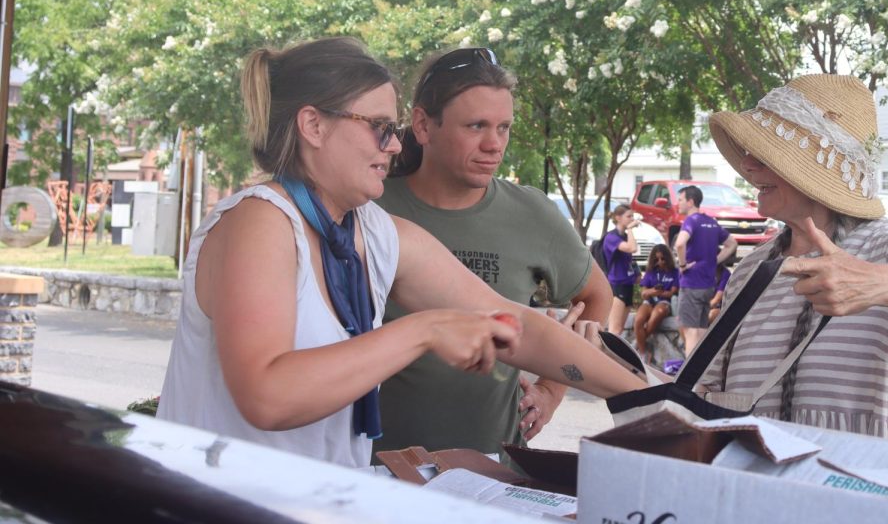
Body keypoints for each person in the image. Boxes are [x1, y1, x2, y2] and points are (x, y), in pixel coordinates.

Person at [156, 37, 642, 468]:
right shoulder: (259, 222)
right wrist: (424, 330)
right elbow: (266, 396)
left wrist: (652, 397)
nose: (394, 146)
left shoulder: (375, 232)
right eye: (380, 127)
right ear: (313, 125)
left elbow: (516, 323)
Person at [696, 74, 888, 443]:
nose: (747, 165)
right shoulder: (750, 270)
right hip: (761, 490)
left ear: (816, 168)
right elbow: (706, 390)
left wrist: (873, 283)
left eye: (763, 153)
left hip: (865, 488)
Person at [374, 47, 613, 456]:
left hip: (495, 473)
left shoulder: (531, 212)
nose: (493, 144)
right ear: (423, 125)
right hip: (377, 470)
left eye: (503, 127)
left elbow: (595, 295)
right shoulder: (371, 208)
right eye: (476, 125)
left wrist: (552, 392)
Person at [674, 185, 738, 355]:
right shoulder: (711, 222)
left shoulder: (691, 221)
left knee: (690, 331)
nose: (677, 203)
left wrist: (682, 265)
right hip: (708, 285)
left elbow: (680, 243)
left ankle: (688, 378)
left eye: (680, 200)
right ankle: (700, 376)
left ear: (690, 201)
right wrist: (714, 260)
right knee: (701, 330)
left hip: (692, 282)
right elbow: (732, 244)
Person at [634, 244, 680, 360]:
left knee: (657, 314)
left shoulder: (675, 272)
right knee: (638, 320)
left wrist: (653, 292)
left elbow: (671, 293)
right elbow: (643, 293)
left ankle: (640, 343)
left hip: (665, 303)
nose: (660, 262)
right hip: (649, 302)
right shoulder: (651, 272)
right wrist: (654, 292)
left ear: (668, 258)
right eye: (657, 259)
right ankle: (643, 352)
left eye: (663, 259)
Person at [602, 204, 640, 335]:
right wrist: (630, 229)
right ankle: (606, 355)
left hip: (628, 283)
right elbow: (632, 248)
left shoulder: (624, 235)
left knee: (620, 329)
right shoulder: (611, 237)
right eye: (628, 216)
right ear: (618, 218)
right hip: (616, 285)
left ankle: (613, 355)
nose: (631, 219)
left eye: (632, 216)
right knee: (614, 329)